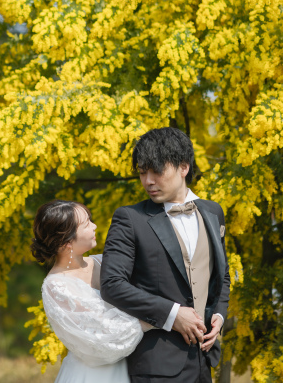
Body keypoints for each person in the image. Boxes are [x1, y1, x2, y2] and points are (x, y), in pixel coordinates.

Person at [100, 127, 230, 382]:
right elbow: (112, 284)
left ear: (184, 167)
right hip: (156, 365)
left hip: (204, 359)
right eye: (142, 172)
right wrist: (172, 315)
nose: (148, 181)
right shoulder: (130, 218)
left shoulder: (213, 211)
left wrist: (219, 314)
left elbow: (221, 273)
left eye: (157, 171)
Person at [32, 199, 148, 383]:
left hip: (132, 367)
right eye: (86, 224)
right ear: (66, 241)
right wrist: (155, 318)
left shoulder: (104, 262)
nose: (94, 226)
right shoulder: (56, 286)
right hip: (92, 375)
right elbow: (101, 340)